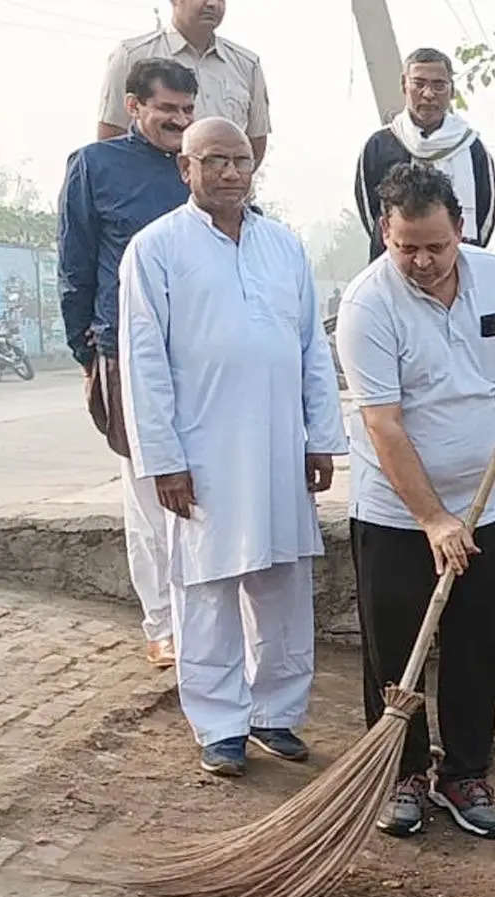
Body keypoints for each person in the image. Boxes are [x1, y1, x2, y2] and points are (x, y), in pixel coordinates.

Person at [335, 163, 495, 840]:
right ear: (386, 231)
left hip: (490, 502)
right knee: (396, 646)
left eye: (435, 246)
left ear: (459, 230)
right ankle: (404, 773)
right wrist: (432, 518)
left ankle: (465, 773)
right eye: (406, 246)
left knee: (483, 641)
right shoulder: (367, 305)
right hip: (398, 511)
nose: (422, 261)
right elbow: (384, 424)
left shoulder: (494, 276)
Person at [117, 118, 346, 776]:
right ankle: (219, 724)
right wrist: (163, 459)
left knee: (282, 582)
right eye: (212, 160)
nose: (228, 172)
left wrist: (320, 439)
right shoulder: (155, 249)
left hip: (279, 446)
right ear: (185, 170)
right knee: (206, 586)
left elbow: (310, 349)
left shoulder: (283, 247)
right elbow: (144, 363)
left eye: (240, 160)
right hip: (201, 452)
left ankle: (276, 713)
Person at [59, 58, 197, 669]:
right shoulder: (94, 167)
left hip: (199, 354)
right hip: (125, 351)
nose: (179, 121)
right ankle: (163, 624)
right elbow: (75, 264)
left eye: (187, 110)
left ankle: (203, 617)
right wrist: (86, 353)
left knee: (200, 489)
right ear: (133, 107)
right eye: (167, 109)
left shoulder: (198, 169)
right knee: (147, 495)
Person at [354, 48, 495, 260]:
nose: (429, 94)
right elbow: (372, 215)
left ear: (451, 89)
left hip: (458, 266)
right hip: (392, 269)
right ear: (404, 84)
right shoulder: (379, 146)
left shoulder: (471, 147)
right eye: (419, 84)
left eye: (439, 85)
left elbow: (485, 215)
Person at [97, 0, 271, 169]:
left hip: (222, 193)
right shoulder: (132, 55)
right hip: (147, 190)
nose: (213, 4)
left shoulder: (247, 65)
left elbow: (255, 142)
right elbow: (111, 137)